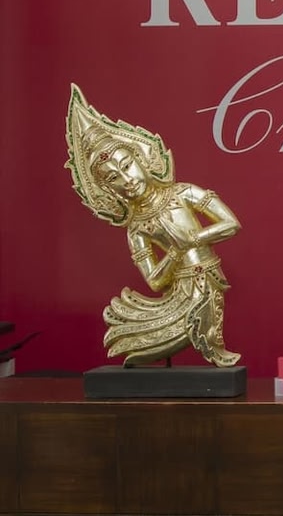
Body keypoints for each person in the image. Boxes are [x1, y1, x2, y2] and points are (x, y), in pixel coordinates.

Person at [65, 85, 242, 367]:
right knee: (188, 330)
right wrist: (174, 252)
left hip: (209, 274)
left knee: (209, 331)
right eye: (113, 178)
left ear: (142, 159)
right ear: (108, 191)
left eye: (127, 166)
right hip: (182, 286)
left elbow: (231, 224)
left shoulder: (183, 192)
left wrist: (195, 238)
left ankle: (211, 348)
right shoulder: (137, 228)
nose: (126, 180)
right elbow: (156, 282)